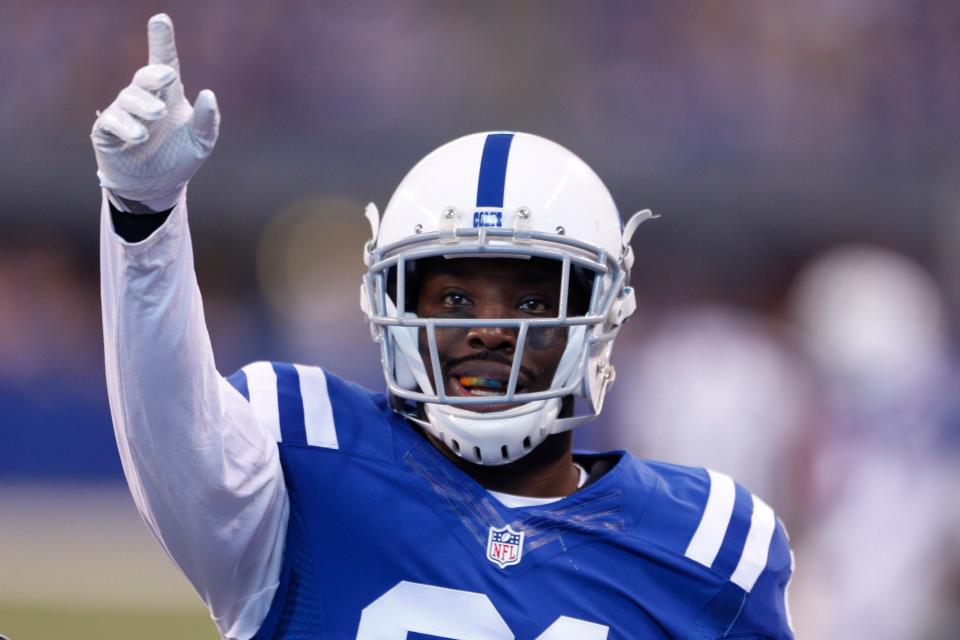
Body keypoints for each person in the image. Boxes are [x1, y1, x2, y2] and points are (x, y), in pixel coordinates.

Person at [92, 14, 795, 640]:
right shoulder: (306, 458)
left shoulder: (710, 545)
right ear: (394, 309)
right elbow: (170, 427)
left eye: (527, 304)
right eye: (455, 299)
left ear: (600, 321)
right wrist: (143, 218)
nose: (490, 330)